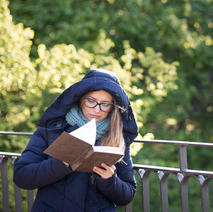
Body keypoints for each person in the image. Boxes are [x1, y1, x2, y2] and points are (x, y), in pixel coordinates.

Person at [13, 69, 138, 211]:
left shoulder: (117, 138)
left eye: (105, 104)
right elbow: (21, 176)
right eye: (91, 101)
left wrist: (109, 180)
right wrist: (61, 163)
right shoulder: (52, 129)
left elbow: (127, 195)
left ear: (112, 107)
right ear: (80, 99)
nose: (97, 110)